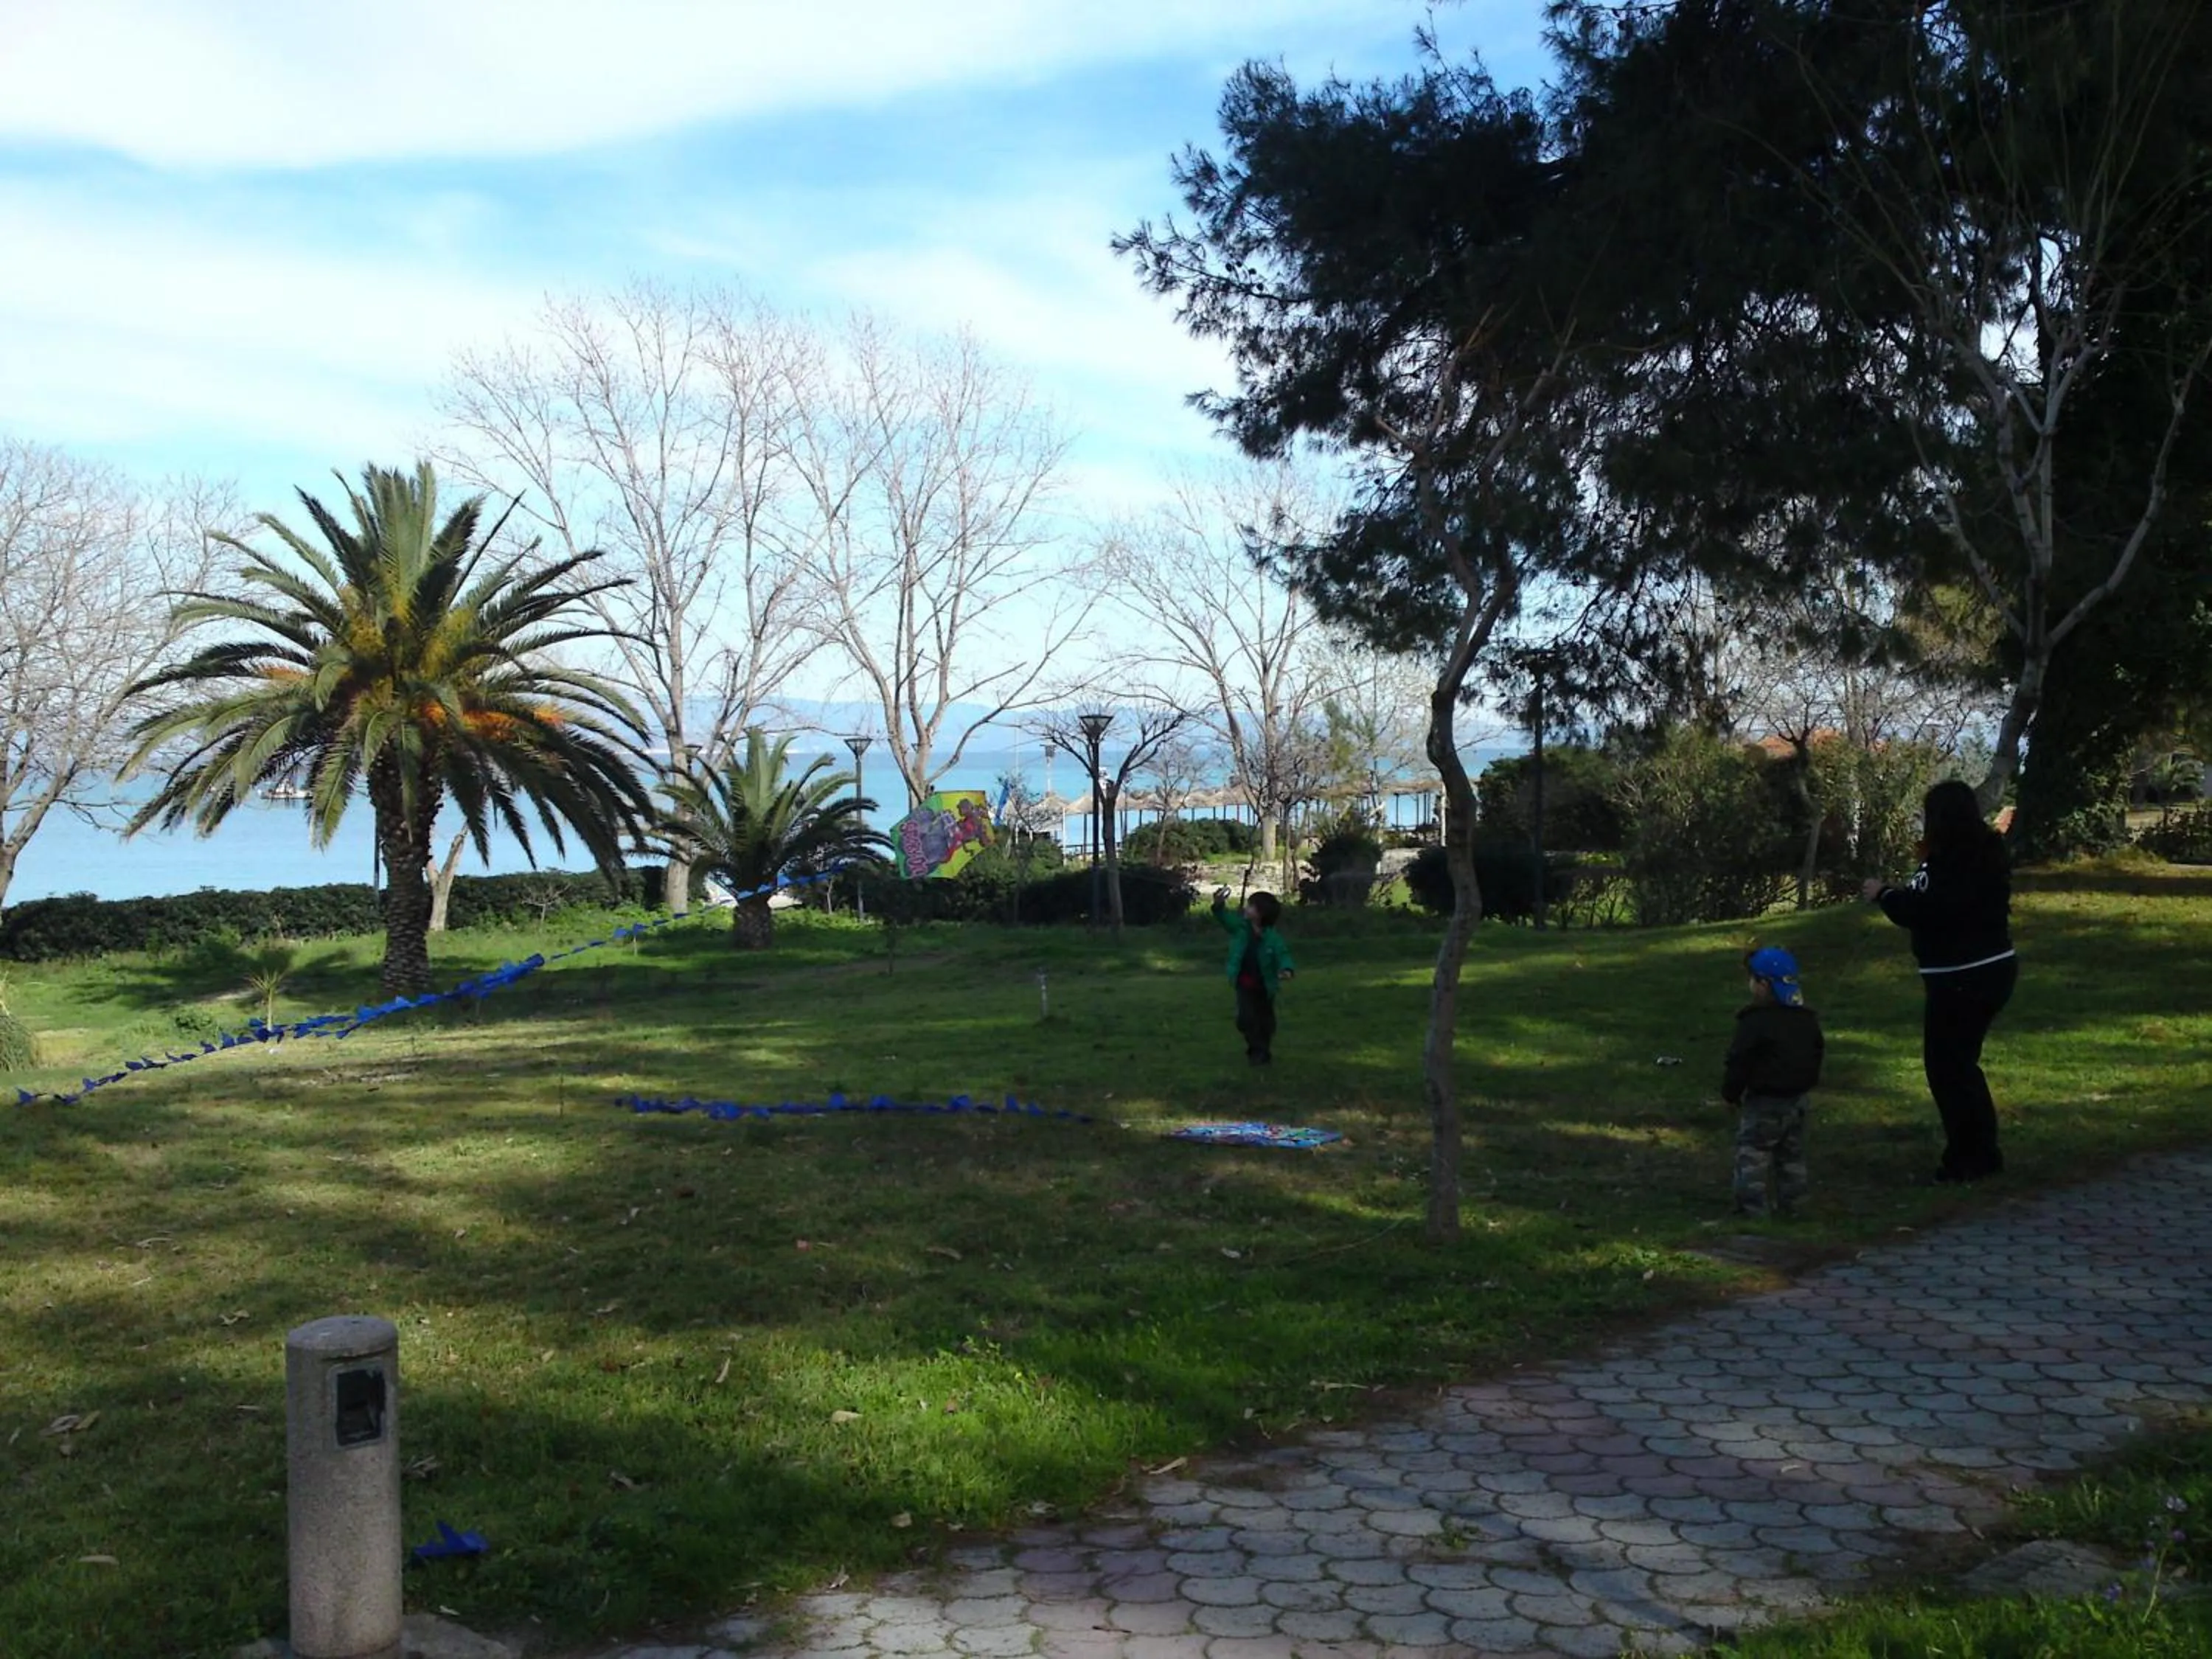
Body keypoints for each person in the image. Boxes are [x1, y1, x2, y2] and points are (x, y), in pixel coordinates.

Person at [1863, 779, 2017, 1183]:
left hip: (1963, 977)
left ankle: (1969, 1157)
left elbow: (1928, 910)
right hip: (1984, 970)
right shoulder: (1980, 853)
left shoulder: (1955, 862)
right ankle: (1980, 1151)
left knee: (1949, 1069)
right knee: (1959, 1066)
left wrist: (1884, 895)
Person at [1722, 946, 1826, 1218]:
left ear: (1763, 984)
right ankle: (1795, 1207)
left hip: (1764, 1101)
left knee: (1753, 1154)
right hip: (1797, 1100)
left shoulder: (1753, 1022)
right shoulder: (1807, 1020)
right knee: (1791, 1156)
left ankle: (1751, 1209)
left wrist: (1731, 1093)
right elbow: (1816, 1052)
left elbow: (1739, 1061)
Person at [1211, 886, 1294, 1065]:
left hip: (1265, 986)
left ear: (1261, 913)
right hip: (1244, 984)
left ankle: (1261, 1051)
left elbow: (1283, 955)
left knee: (1266, 1023)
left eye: (1251, 906)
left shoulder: (1273, 938)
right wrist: (1218, 904)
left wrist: (1286, 969)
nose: (1246, 909)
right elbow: (1223, 918)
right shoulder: (1240, 928)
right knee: (1245, 1019)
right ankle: (1257, 1049)